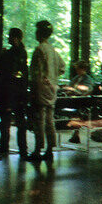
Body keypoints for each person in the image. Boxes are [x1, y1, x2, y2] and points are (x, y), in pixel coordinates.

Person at [29, 20, 65, 165]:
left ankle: (38, 150)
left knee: (39, 120)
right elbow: (62, 67)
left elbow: (35, 72)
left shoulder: (40, 50)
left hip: (40, 89)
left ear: (40, 33)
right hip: (52, 89)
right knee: (50, 120)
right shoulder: (53, 50)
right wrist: (53, 77)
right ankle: (50, 149)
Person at [0, 27, 29, 159]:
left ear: (15, 38)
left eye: (10, 36)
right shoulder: (22, 52)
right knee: (19, 120)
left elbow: (4, 70)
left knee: (6, 120)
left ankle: (5, 145)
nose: (8, 38)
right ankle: (22, 148)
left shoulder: (10, 54)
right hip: (19, 91)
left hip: (9, 91)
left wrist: (1, 56)